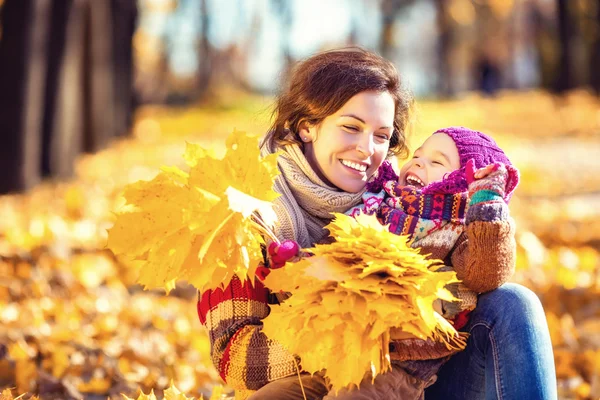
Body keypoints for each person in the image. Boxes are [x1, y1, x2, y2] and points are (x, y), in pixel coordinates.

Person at [196, 48, 557, 400]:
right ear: (308, 127)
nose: (367, 150)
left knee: (513, 302)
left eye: (382, 136)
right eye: (351, 127)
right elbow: (236, 359)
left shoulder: (399, 201)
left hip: (412, 381)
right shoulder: (241, 212)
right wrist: (366, 328)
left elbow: (469, 271)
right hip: (309, 388)